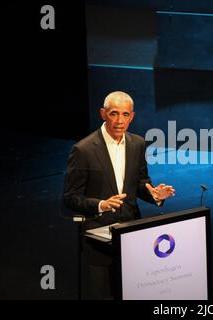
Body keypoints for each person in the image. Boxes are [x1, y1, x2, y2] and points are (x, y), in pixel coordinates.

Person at [63, 91, 175, 299]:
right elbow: (69, 197)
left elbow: (141, 183)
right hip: (97, 237)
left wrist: (155, 195)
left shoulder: (138, 144)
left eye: (125, 115)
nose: (119, 120)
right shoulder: (83, 150)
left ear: (132, 116)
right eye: (114, 113)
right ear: (103, 114)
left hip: (131, 234)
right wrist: (101, 205)